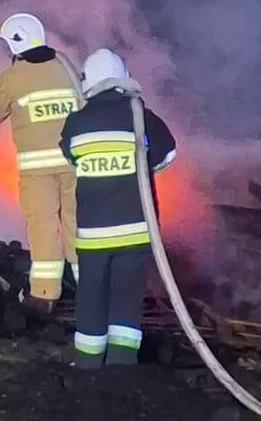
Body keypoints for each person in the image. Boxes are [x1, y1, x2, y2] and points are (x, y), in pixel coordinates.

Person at [59, 48, 176, 368]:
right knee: (126, 300)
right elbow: (168, 156)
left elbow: (70, 158)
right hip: (135, 233)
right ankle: (122, 368)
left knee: (91, 299)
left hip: (92, 237)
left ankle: (87, 366)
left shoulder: (77, 122)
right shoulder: (142, 115)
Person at [0, 12, 82, 313]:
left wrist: (15, 75)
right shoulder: (66, 65)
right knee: (76, 225)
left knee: (43, 227)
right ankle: (89, 286)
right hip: (75, 163)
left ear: (15, 45)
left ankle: (44, 293)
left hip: (38, 171)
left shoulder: (15, 77)